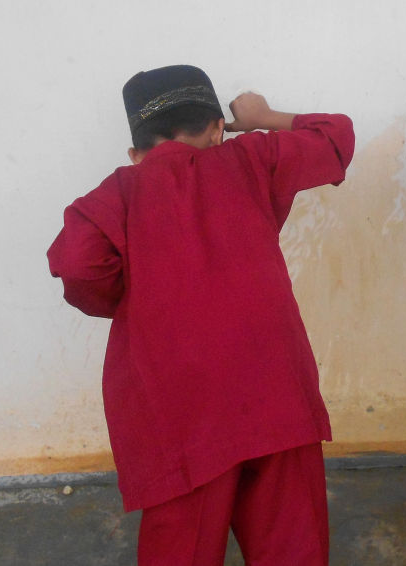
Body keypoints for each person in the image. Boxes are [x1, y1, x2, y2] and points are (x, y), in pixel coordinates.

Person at [47, 65, 354, 565]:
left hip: (180, 411)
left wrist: (132, 297)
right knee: (291, 537)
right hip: (274, 389)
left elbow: (79, 266)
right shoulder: (251, 158)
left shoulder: (116, 194)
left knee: (182, 543)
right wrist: (263, 116)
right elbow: (335, 137)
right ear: (216, 130)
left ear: (135, 153)